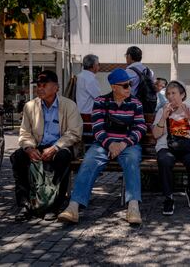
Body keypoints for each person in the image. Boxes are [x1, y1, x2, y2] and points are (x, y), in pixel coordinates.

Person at [58, 68, 147, 224]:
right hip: (104, 144)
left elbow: (140, 128)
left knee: (132, 160)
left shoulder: (136, 103)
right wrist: (110, 144)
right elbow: (97, 128)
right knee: (89, 161)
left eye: (130, 85)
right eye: (125, 85)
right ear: (114, 87)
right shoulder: (100, 102)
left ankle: (133, 207)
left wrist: (122, 144)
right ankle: (73, 207)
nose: (129, 89)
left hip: (128, 145)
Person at [11, 70, 82, 221]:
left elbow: (75, 132)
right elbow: (24, 132)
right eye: (38, 85)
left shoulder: (69, 105)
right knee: (17, 157)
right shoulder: (30, 106)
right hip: (37, 147)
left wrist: (56, 147)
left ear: (56, 87)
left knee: (63, 157)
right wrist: (29, 148)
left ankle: (54, 206)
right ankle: (25, 204)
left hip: (60, 147)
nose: (40, 88)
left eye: (44, 85)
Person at [152, 80, 190, 215]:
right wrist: (163, 117)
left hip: (187, 147)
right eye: (168, 93)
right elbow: (156, 135)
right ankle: (168, 197)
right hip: (166, 146)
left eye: (174, 93)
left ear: (182, 95)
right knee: (164, 160)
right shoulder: (163, 111)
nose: (170, 96)